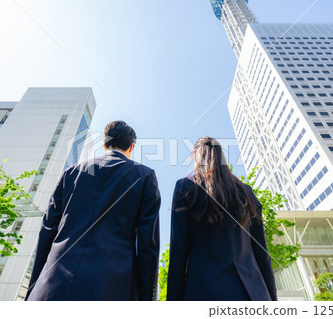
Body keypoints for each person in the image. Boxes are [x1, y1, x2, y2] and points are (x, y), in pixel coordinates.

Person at [26, 120, 161, 301]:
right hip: (112, 287)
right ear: (132, 146)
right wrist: (147, 299)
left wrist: (34, 288)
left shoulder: (70, 173)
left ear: (105, 144)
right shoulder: (144, 176)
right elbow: (147, 246)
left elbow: (47, 232)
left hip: (52, 285)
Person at [166, 136, 277, 301]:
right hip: (253, 293)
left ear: (195, 157)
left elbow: (178, 253)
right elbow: (262, 254)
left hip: (204, 292)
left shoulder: (186, 188)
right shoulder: (246, 193)